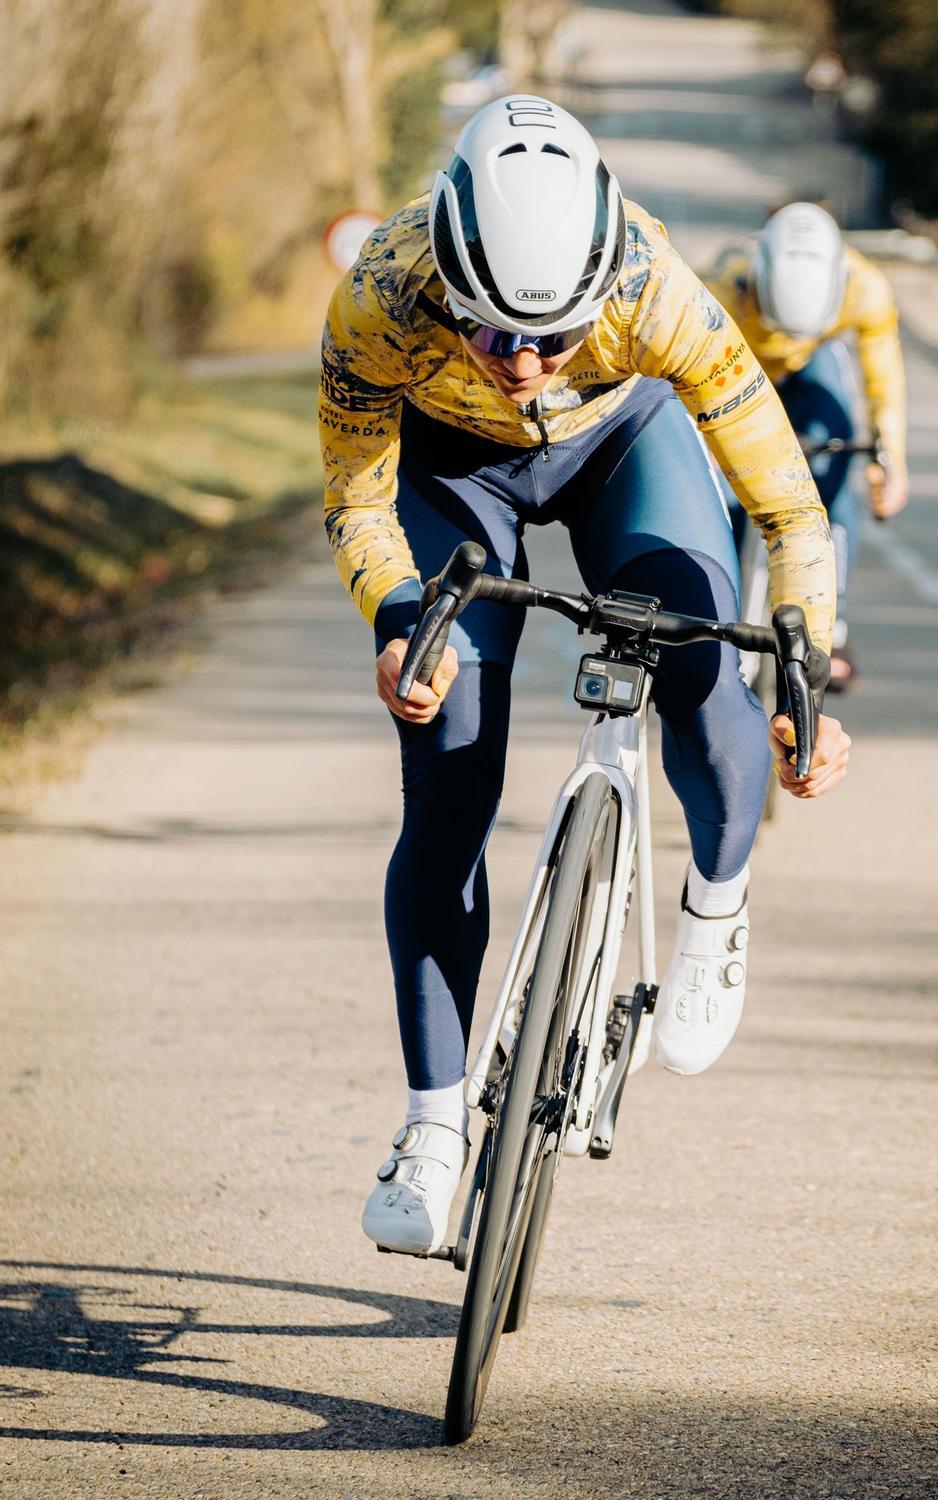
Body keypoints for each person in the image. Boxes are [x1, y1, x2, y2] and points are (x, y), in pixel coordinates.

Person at [319, 96, 852, 1256]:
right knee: (449, 756)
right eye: (495, 333)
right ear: (448, 289)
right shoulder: (379, 295)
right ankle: (433, 1127)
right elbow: (358, 499)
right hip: (455, 469)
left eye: (551, 337)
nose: (522, 364)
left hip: (628, 442)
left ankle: (716, 904)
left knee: (709, 667)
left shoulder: (659, 290)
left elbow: (789, 506)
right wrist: (398, 619)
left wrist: (805, 658)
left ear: (599, 290)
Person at [706, 203, 909, 688]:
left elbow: (883, 379)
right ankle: (712, 611)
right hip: (737, 365)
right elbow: (683, 377)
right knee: (722, 493)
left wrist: (890, 458)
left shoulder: (865, 288)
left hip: (814, 366)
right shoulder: (723, 287)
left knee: (833, 468)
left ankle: (831, 626)